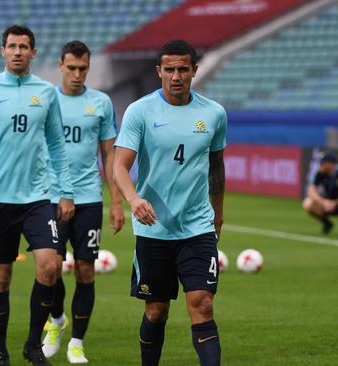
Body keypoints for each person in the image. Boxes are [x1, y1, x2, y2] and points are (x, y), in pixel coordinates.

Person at [0, 25, 74, 366]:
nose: (17, 52)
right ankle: (0, 352)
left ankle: (32, 344)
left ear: (34, 53)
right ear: (2, 51)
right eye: (12, 46)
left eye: (24, 46)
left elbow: (56, 144)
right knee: (1, 276)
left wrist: (65, 191)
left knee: (50, 267)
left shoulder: (47, 92)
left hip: (39, 198)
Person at [113, 40, 226, 366]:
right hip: (154, 228)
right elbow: (119, 165)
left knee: (202, 304)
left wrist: (217, 216)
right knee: (157, 310)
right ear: (159, 71)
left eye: (183, 69)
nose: (176, 76)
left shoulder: (214, 113)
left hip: (197, 227)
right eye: (170, 69)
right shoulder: (140, 111)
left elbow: (216, 166)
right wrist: (133, 199)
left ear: (194, 70)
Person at [41, 40, 125, 364]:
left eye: (83, 68)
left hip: (89, 197)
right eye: (71, 68)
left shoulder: (101, 103)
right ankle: (57, 320)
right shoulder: (46, 101)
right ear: (61, 65)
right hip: (49, 196)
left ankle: (76, 342)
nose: (77, 74)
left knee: (85, 270)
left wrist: (116, 202)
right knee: (49, 269)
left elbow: (110, 154)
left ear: (88, 67)